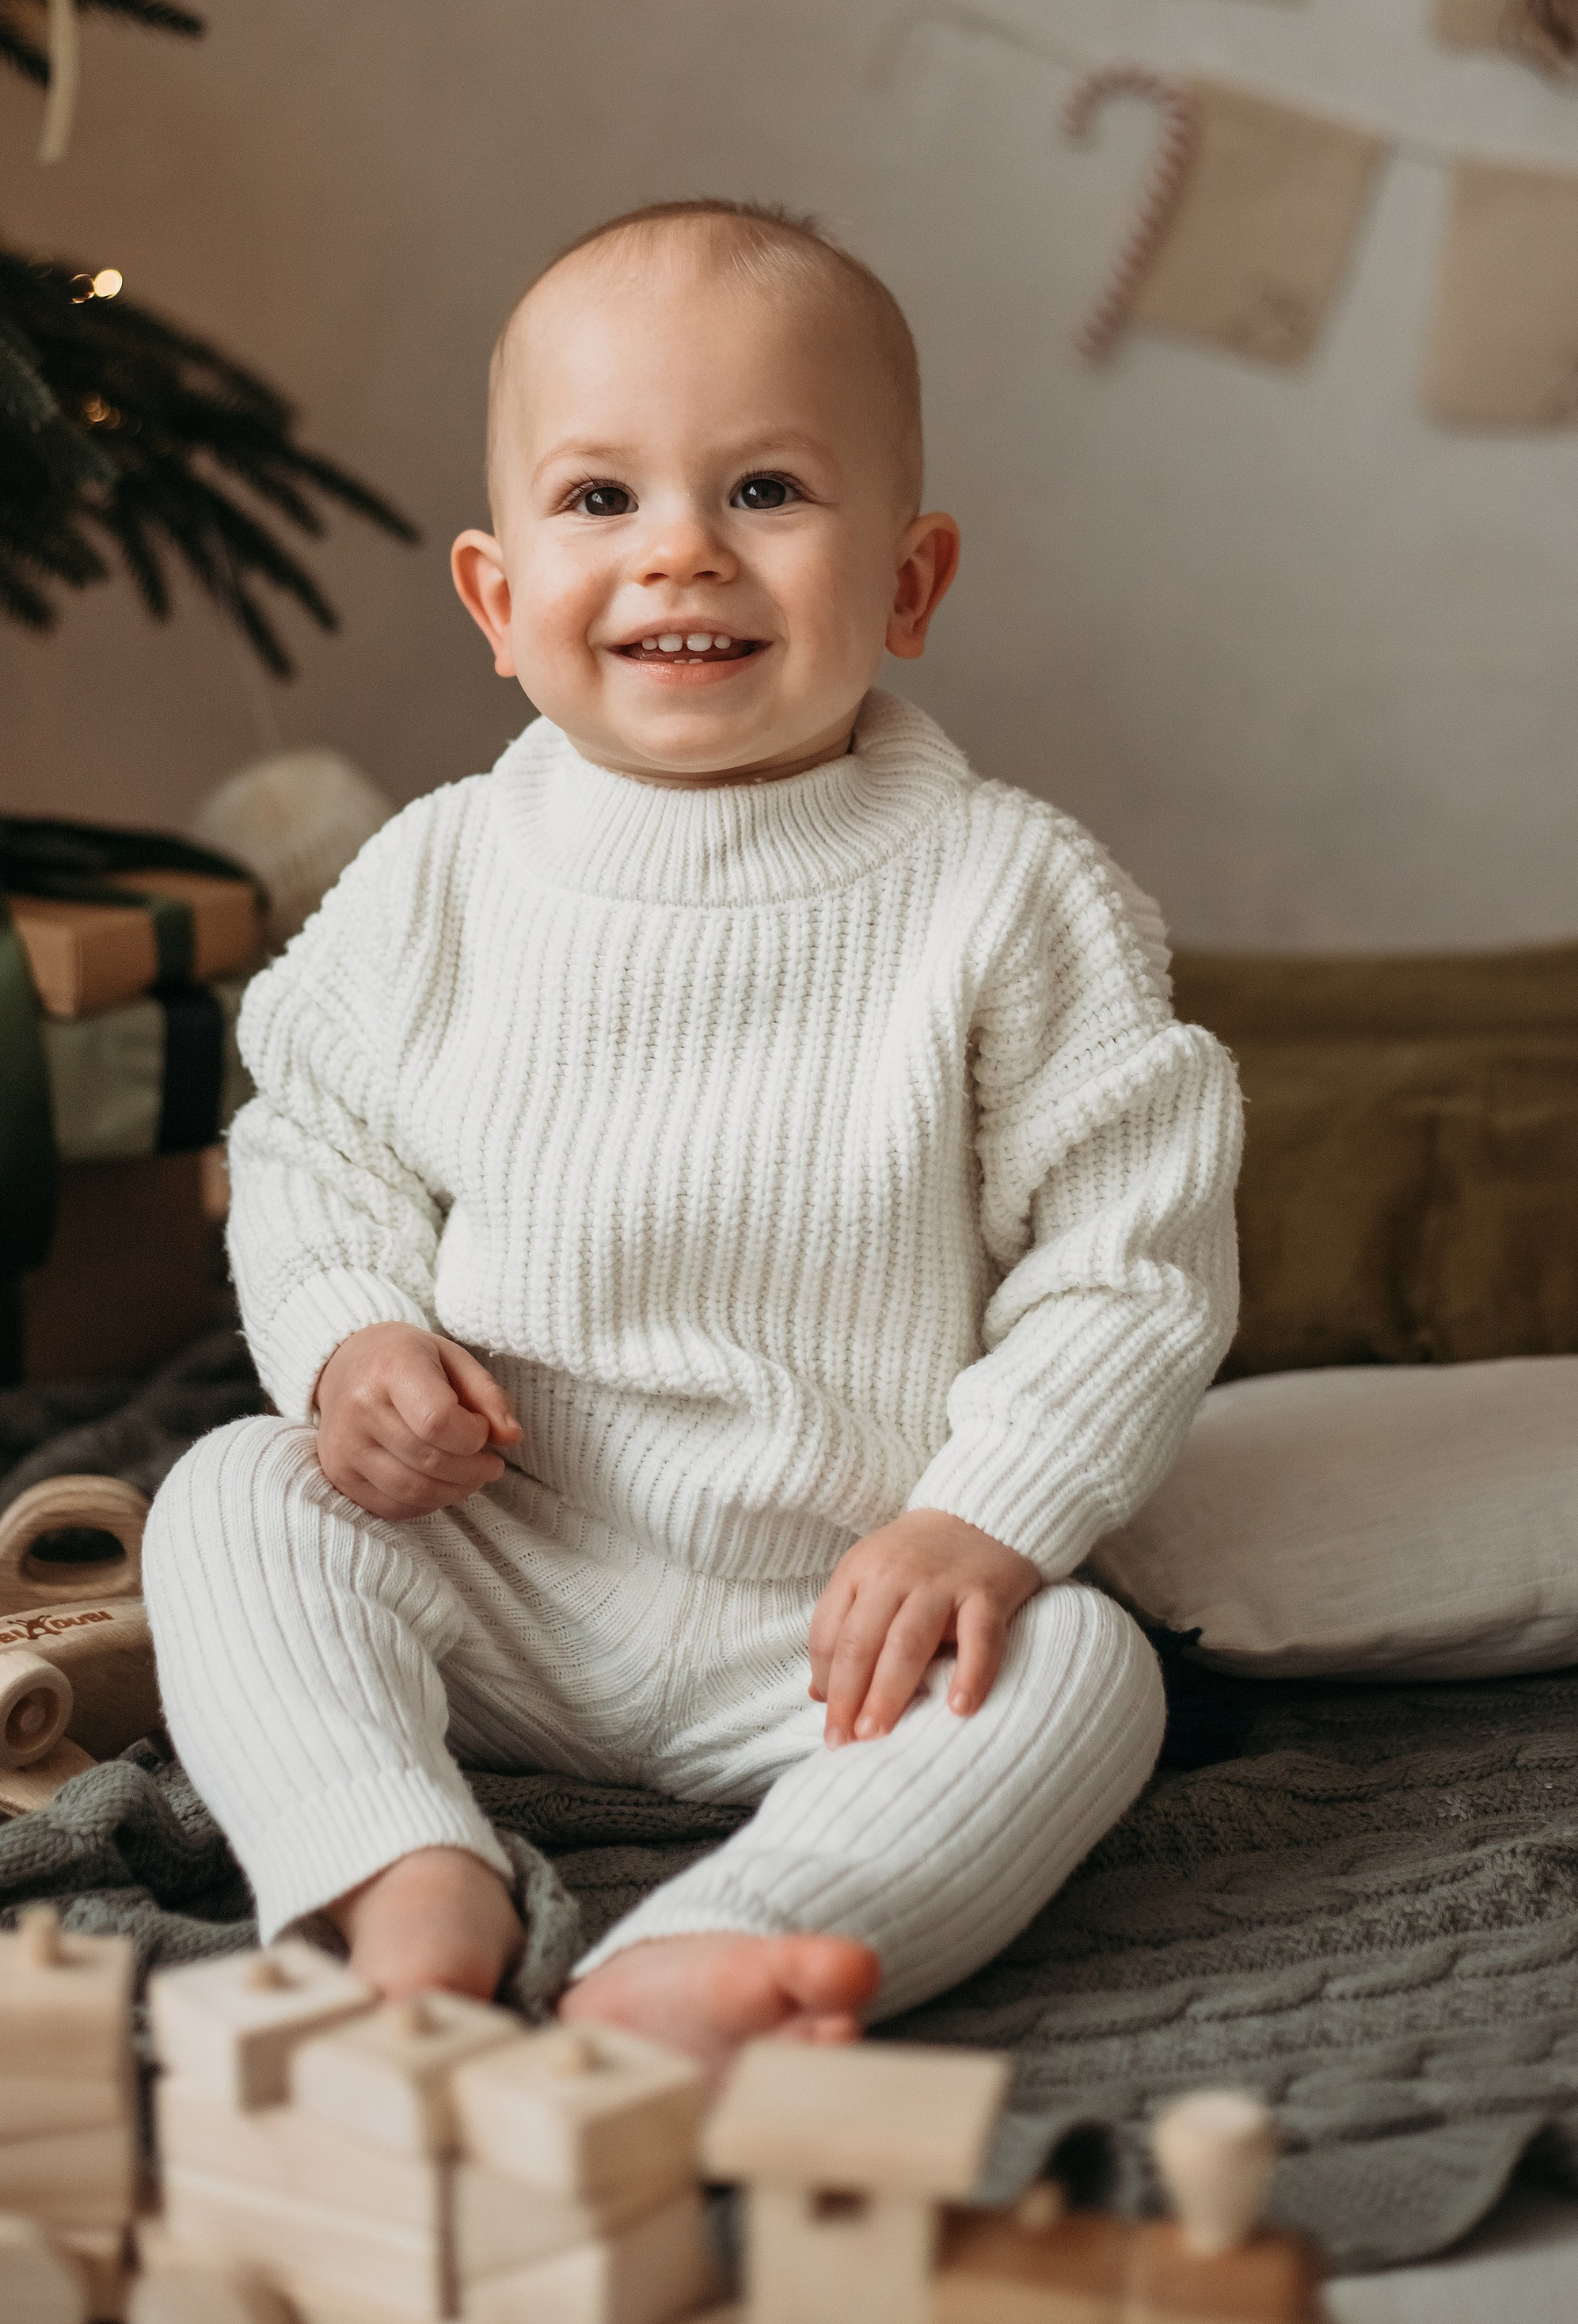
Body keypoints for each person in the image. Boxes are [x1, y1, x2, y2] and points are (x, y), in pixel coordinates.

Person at [144, 197, 1241, 2072]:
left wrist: (983, 1519)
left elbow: (1125, 1259)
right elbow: (316, 1138)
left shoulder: (1006, 896)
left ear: (907, 583)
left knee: (1079, 1676)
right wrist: (349, 1341)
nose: (679, 554)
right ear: (496, 602)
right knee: (233, 1500)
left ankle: (739, 1941)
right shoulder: (437, 877)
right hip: (502, 1551)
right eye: (600, 502)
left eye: (763, 492)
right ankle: (399, 1872)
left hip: (831, 1623)